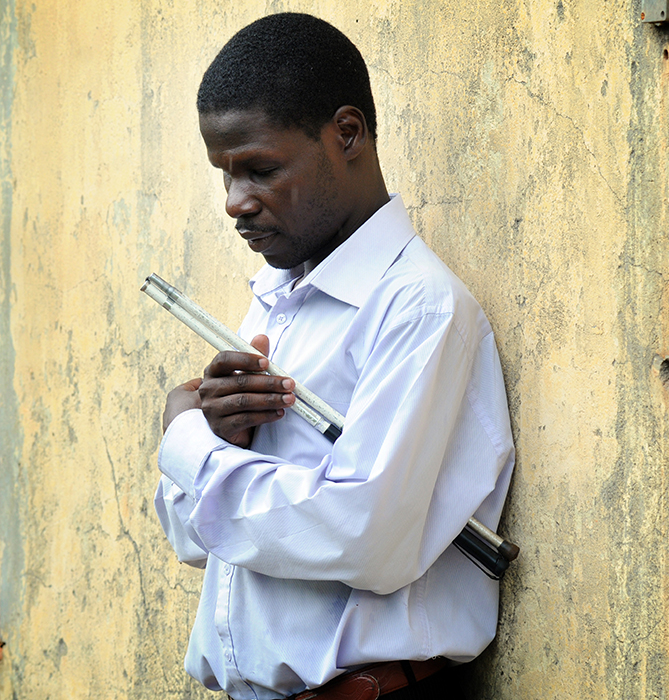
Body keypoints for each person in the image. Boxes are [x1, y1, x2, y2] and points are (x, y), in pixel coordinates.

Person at [154, 12, 515, 700]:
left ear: (346, 134)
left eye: (260, 169)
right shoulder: (275, 299)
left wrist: (185, 443)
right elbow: (197, 540)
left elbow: (365, 538)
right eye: (224, 176)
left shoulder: (417, 308)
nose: (235, 202)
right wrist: (212, 436)